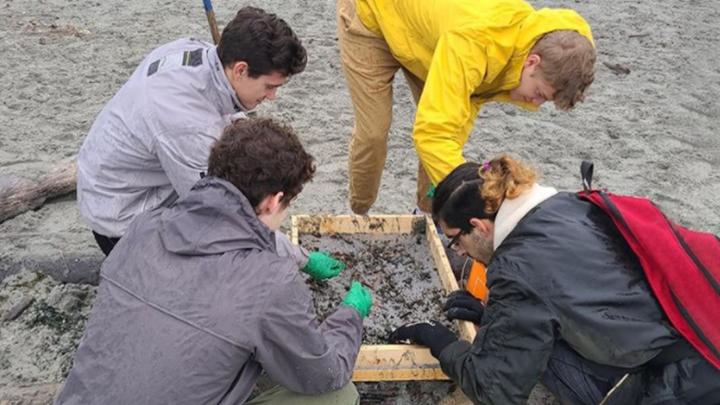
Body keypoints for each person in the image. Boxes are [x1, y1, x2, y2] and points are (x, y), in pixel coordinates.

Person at [56, 118, 373, 405]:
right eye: (287, 204)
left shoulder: (143, 227)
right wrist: (350, 317)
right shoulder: (270, 280)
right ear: (274, 201)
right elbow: (323, 374)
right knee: (339, 395)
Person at [389, 155, 720, 404]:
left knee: (534, 365)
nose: (459, 252)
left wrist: (443, 344)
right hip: (697, 333)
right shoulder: (565, 205)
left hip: (681, 382)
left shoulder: (517, 267)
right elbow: (569, 295)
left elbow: (496, 388)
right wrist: (492, 318)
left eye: (455, 240)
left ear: (481, 226)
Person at [76, 6, 307, 257]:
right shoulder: (187, 123)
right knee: (229, 252)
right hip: (121, 219)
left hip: (140, 176)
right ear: (240, 69)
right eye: (269, 86)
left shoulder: (198, 52)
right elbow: (225, 213)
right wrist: (300, 256)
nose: (273, 96)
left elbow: (227, 117)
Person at [336, 0, 596, 214]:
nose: (536, 104)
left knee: (448, 138)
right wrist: (476, 193)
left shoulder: (530, 43)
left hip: (429, 39)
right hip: (372, 17)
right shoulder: (475, 43)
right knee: (374, 132)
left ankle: (426, 214)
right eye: (539, 93)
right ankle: (358, 212)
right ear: (532, 61)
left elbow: (450, 130)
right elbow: (431, 134)